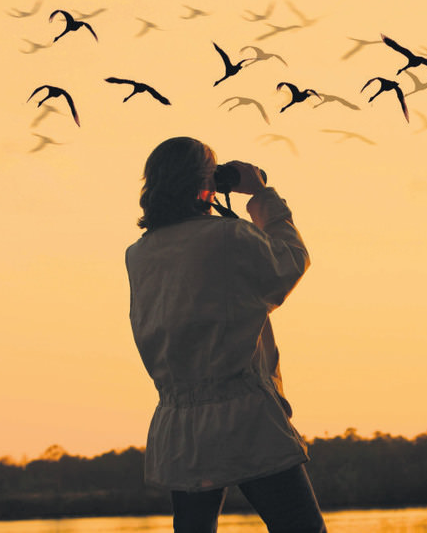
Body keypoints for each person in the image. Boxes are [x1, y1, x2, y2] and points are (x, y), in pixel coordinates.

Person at [125, 136, 326, 533]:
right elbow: (289, 262)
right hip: (244, 417)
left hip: (179, 425)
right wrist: (261, 194)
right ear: (204, 181)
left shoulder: (139, 253)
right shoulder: (227, 237)